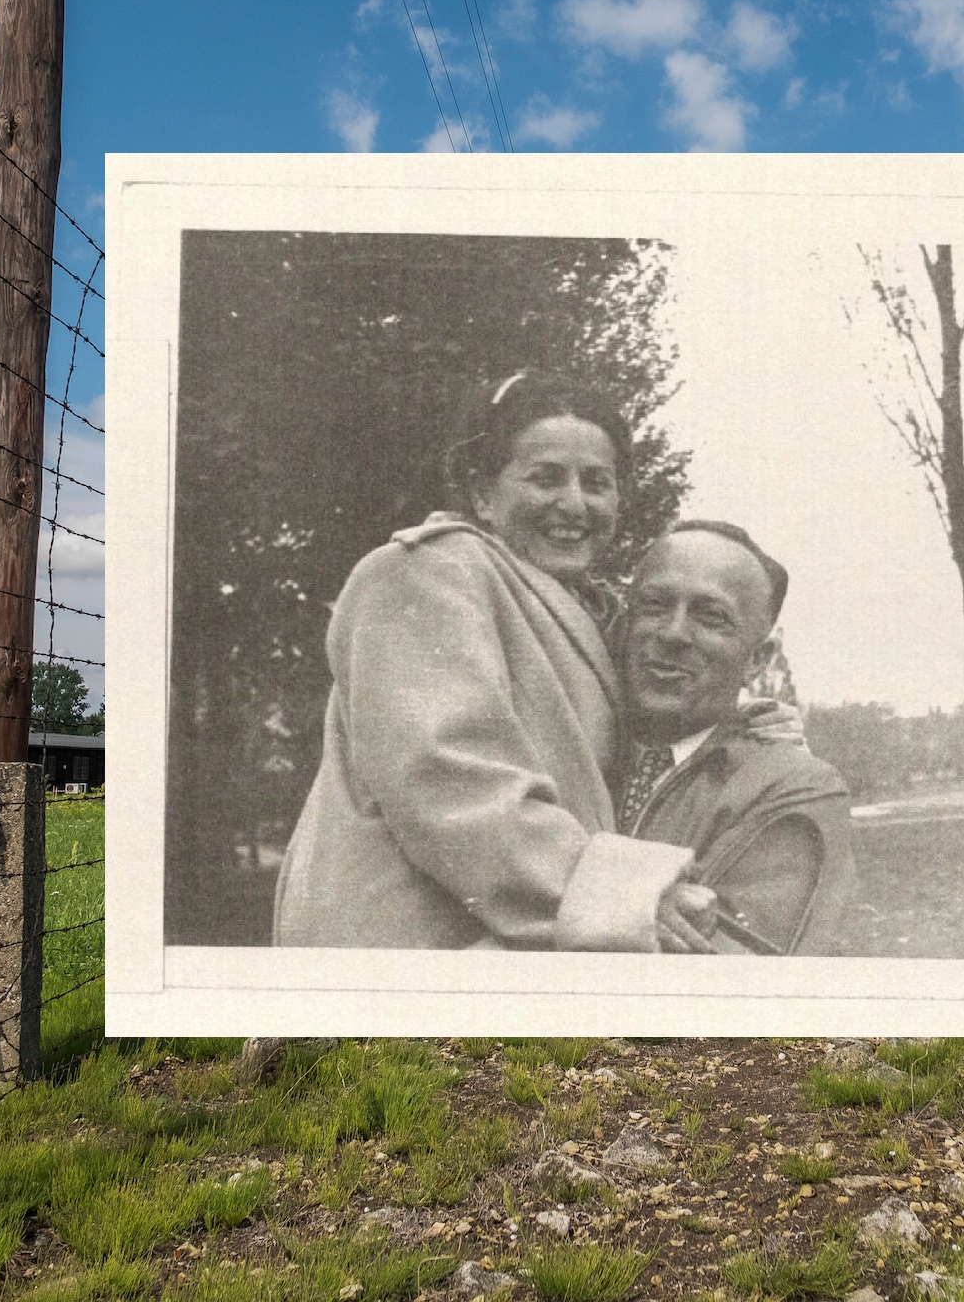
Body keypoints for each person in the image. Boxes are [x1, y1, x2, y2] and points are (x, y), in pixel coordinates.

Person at [272, 371, 712, 952]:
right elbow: (448, 775)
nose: (575, 504)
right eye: (545, 478)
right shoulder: (427, 571)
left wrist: (739, 721)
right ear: (483, 494)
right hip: (406, 954)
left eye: (597, 482)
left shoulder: (585, 608)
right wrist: (618, 895)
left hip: (501, 949)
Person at [615, 521, 856, 954]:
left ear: (758, 660)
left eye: (712, 617)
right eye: (653, 605)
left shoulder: (793, 787)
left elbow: (729, 978)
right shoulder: (573, 745)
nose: (672, 634)